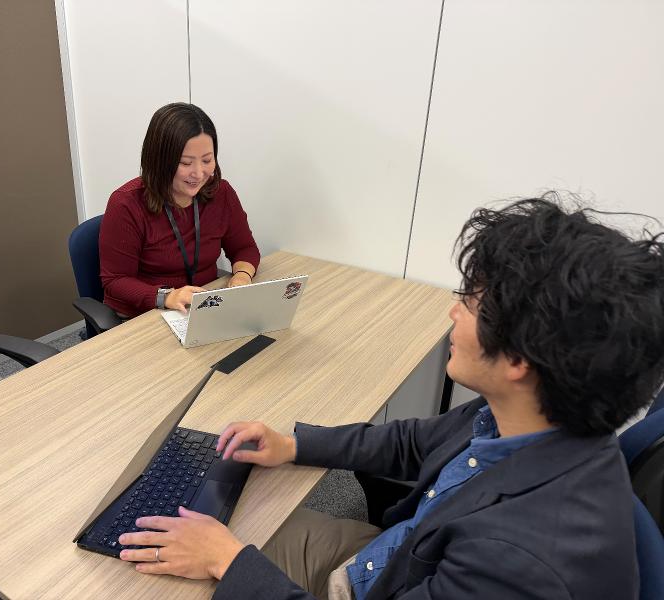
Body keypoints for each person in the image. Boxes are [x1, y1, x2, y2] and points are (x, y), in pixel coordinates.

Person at [115, 195, 664, 599]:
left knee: (144, 576)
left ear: (521, 359)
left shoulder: (518, 563)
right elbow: (409, 443)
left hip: (386, 579)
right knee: (209, 524)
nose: (452, 311)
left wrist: (229, 563)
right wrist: (292, 446)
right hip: (393, 560)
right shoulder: (532, 415)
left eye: (470, 304)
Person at [99, 103, 260, 319]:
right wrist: (166, 296)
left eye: (207, 160)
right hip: (144, 315)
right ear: (160, 160)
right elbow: (115, 280)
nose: (199, 173)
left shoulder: (221, 193)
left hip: (201, 308)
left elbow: (244, 248)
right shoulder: (126, 204)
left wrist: (242, 276)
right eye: (185, 163)